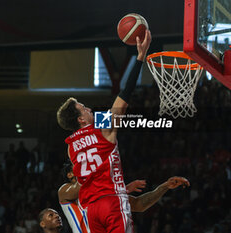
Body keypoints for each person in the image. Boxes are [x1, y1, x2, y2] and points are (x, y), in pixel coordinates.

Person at [56, 30, 151, 233]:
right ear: (81, 119)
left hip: (92, 210)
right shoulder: (102, 125)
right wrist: (140, 57)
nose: (89, 108)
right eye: (84, 108)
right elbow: (124, 95)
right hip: (112, 203)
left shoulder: (71, 146)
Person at [58, 161, 190, 233]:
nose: (84, 163)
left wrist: (165, 186)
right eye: (78, 163)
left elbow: (139, 204)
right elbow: (83, 185)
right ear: (70, 174)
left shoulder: (106, 193)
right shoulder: (64, 191)